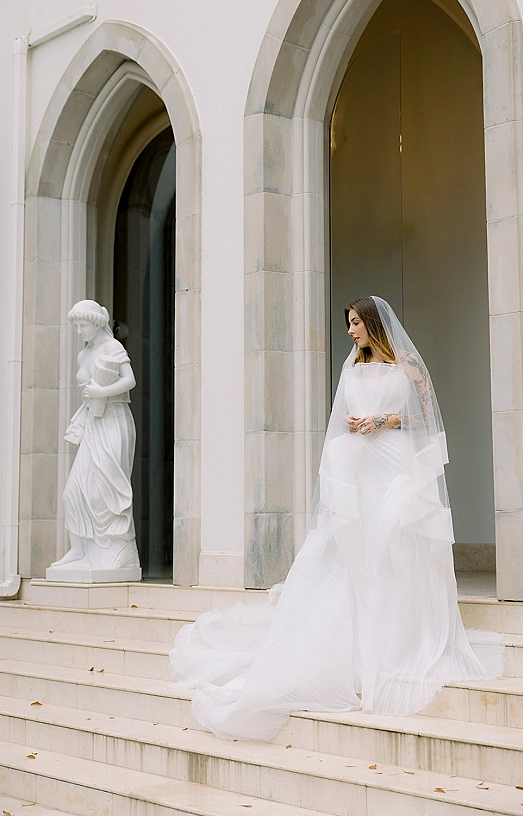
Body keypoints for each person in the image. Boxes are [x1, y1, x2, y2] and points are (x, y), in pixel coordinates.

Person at [169, 296, 503, 740]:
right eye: (348, 324)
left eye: (354, 323)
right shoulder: (351, 368)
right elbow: (339, 420)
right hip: (359, 469)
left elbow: (425, 418)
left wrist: (382, 421)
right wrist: (352, 428)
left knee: (398, 545)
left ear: (372, 324)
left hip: (395, 465)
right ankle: (352, 642)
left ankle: (401, 640)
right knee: (354, 552)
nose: (349, 331)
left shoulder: (408, 369)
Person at [50, 300, 140, 573]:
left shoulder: (113, 347)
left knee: (106, 488)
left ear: (96, 323)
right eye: (76, 326)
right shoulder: (83, 354)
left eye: (82, 325)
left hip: (114, 419)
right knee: (73, 491)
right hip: (93, 422)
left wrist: (102, 393)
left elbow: (130, 380)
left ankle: (118, 549)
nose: (79, 331)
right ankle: (80, 550)